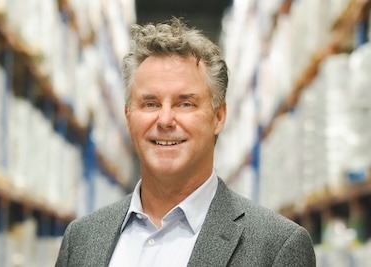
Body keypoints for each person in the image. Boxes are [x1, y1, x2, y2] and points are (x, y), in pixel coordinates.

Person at [55, 17, 316, 267]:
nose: (165, 120)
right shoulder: (81, 239)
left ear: (218, 116)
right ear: (128, 116)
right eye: (150, 103)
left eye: (185, 103)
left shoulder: (276, 247)